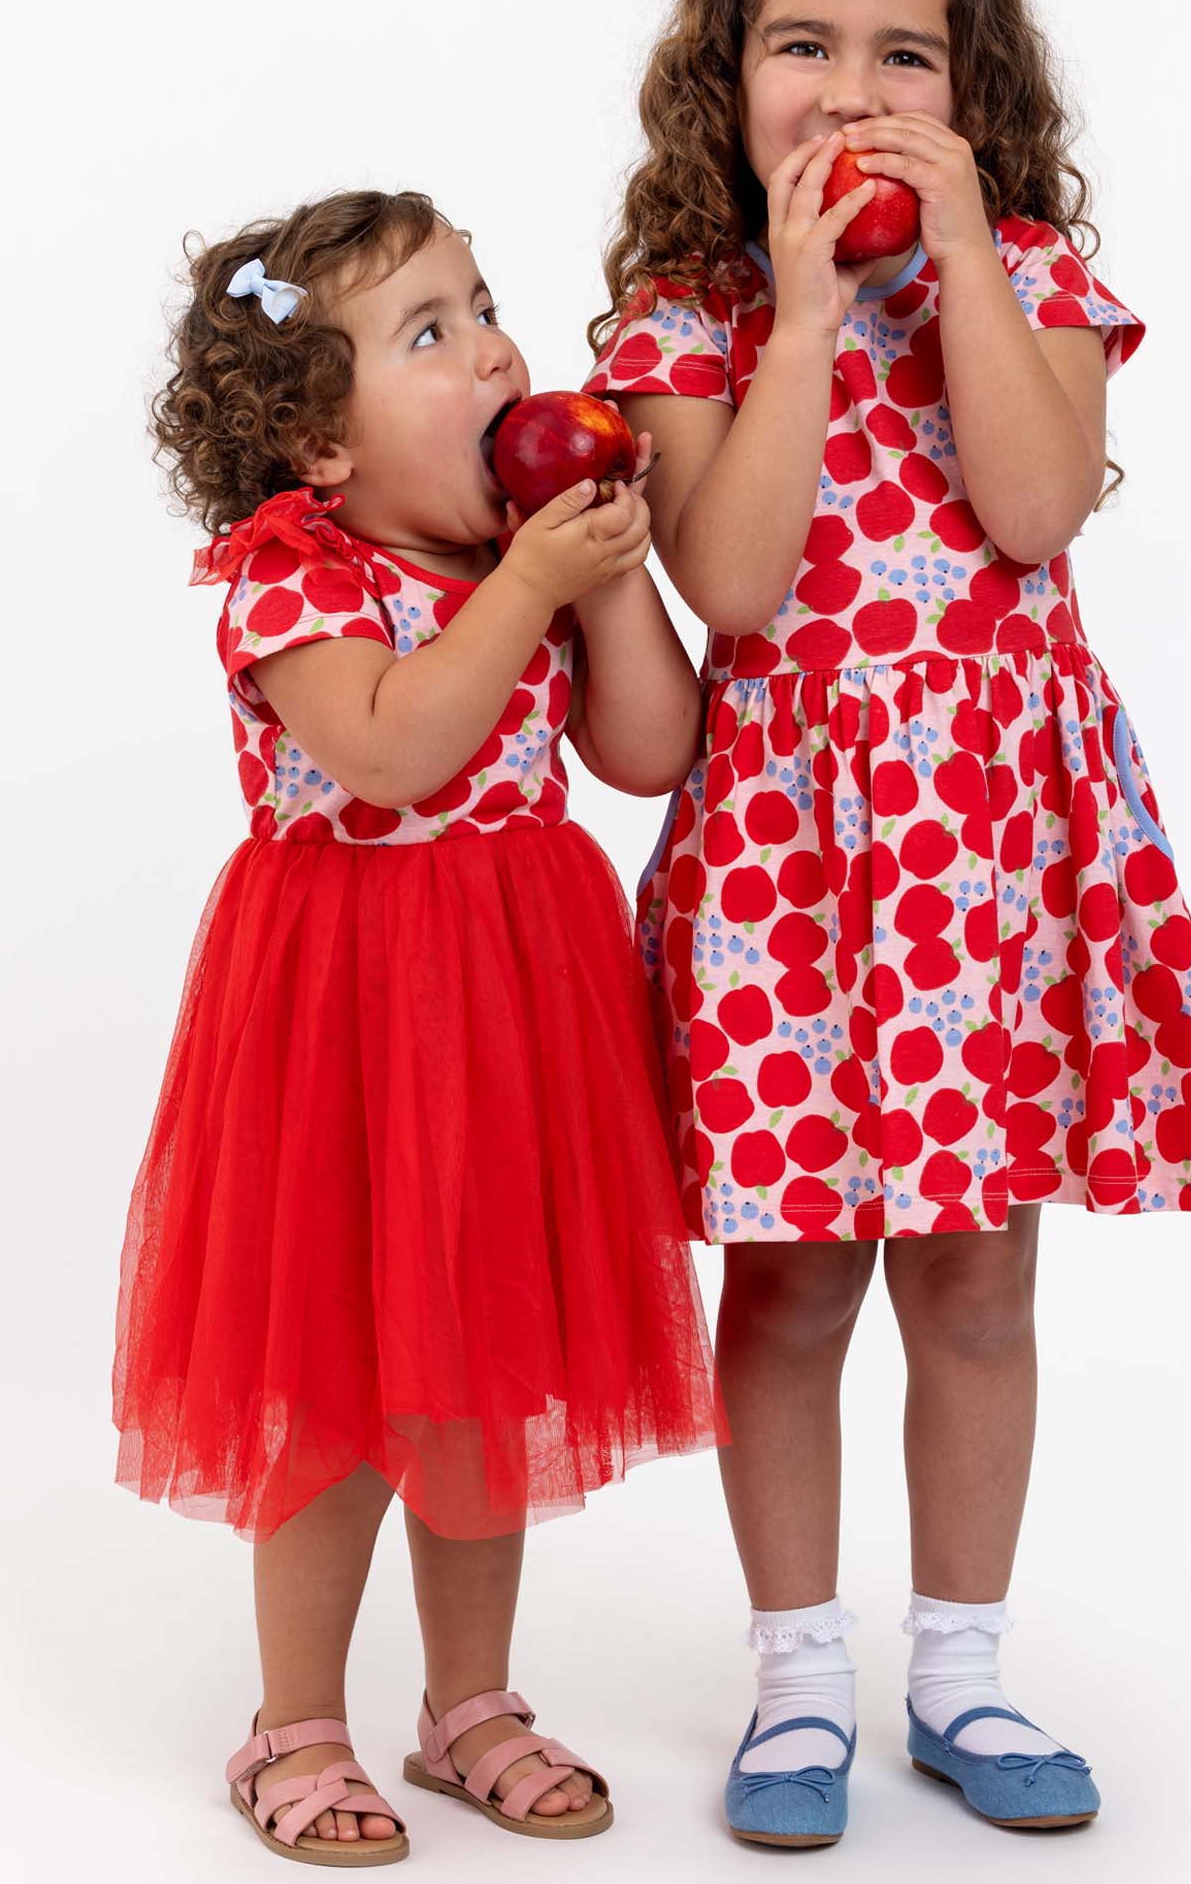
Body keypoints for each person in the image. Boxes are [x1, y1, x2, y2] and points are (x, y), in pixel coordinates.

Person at [584, 0, 1191, 1842]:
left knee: (973, 1282)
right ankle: (798, 1688)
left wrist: (957, 265)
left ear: (979, 98)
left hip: (994, 853)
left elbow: (1033, 512)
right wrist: (797, 317)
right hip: (793, 858)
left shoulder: (1031, 279)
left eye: (905, 56)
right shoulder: (687, 322)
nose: (853, 92)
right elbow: (739, 581)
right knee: (788, 1289)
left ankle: (962, 1673)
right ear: (728, 69)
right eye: (802, 43)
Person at [113, 188, 723, 1861]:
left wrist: (605, 572)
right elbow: (393, 749)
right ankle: (292, 1725)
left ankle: (471, 1705)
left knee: (482, 1373)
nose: (495, 352)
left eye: (483, 306)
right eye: (429, 334)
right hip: (343, 1014)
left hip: (518, 1003)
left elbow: (653, 752)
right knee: (323, 1377)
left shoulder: (517, 555)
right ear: (317, 440)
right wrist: (531, 578)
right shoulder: (290, 576)